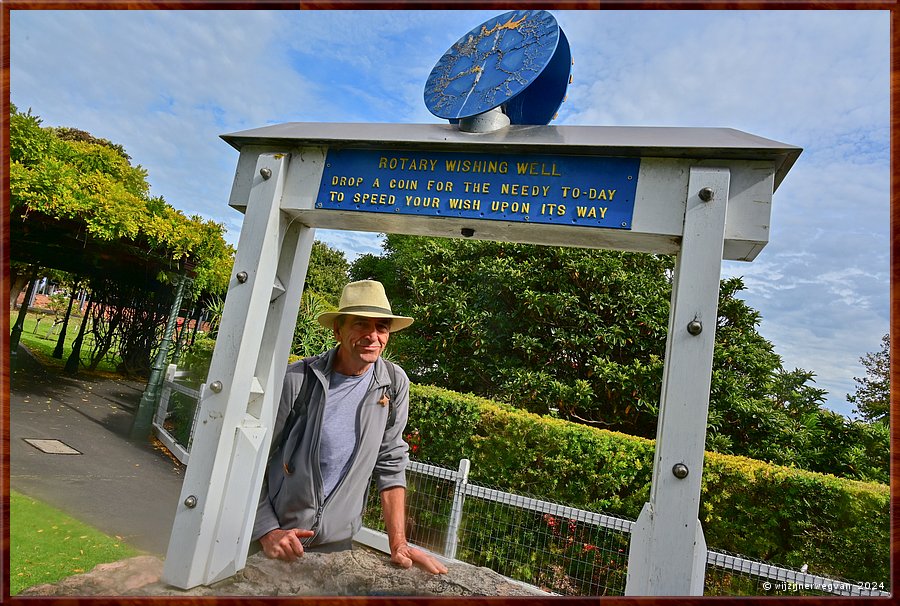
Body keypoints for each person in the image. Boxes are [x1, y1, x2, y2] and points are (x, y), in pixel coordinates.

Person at [252, 280, 447, 575]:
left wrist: (399, 543)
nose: (373, 336)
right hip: (278, 542)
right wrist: (266, 529)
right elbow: (253, 456)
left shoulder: (393, 384)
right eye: (360, 324)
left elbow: (391, 462)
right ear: (338, 330)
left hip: (337, 547)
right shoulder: (298, 380)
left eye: (381, 327)